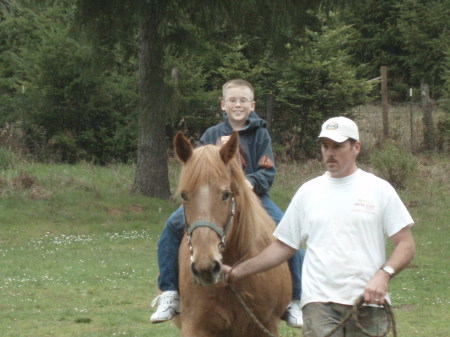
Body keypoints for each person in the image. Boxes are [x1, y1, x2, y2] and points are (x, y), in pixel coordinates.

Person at [223, 116, 416, 336]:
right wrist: (238, 271)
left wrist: (383, 275)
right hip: (319, 304)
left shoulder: (379, 190)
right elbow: (283, 246)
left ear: (356, 147)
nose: (329, 152)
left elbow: (406, 245)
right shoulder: (308, 192)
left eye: (337, 146)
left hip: (368, 302)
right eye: (325, 146)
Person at [150, 79, 304, 328]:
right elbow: (199, 171)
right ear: (223, 104)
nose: (238, 104)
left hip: (255, 198)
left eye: (243, 100)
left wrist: (248, 183)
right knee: (170, 229)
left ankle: (295, 299)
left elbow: (267, 172)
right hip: (212, 200)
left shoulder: (260, 135)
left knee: (288, 237)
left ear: (252, 105)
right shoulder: (211, 134)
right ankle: (170, 292)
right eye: (232, 100)